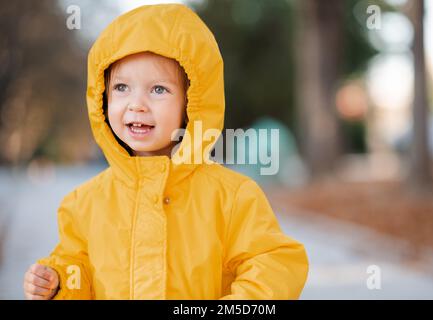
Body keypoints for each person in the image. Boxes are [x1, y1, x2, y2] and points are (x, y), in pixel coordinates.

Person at [23, 4, 308, 300]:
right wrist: (58, 283)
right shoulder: (83, 205)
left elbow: (274, 263)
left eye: (158, 89)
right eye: (121, 87)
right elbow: (77, 268)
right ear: (101, 96)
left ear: (193, 102)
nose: (137, 104)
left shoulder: (232, 197)